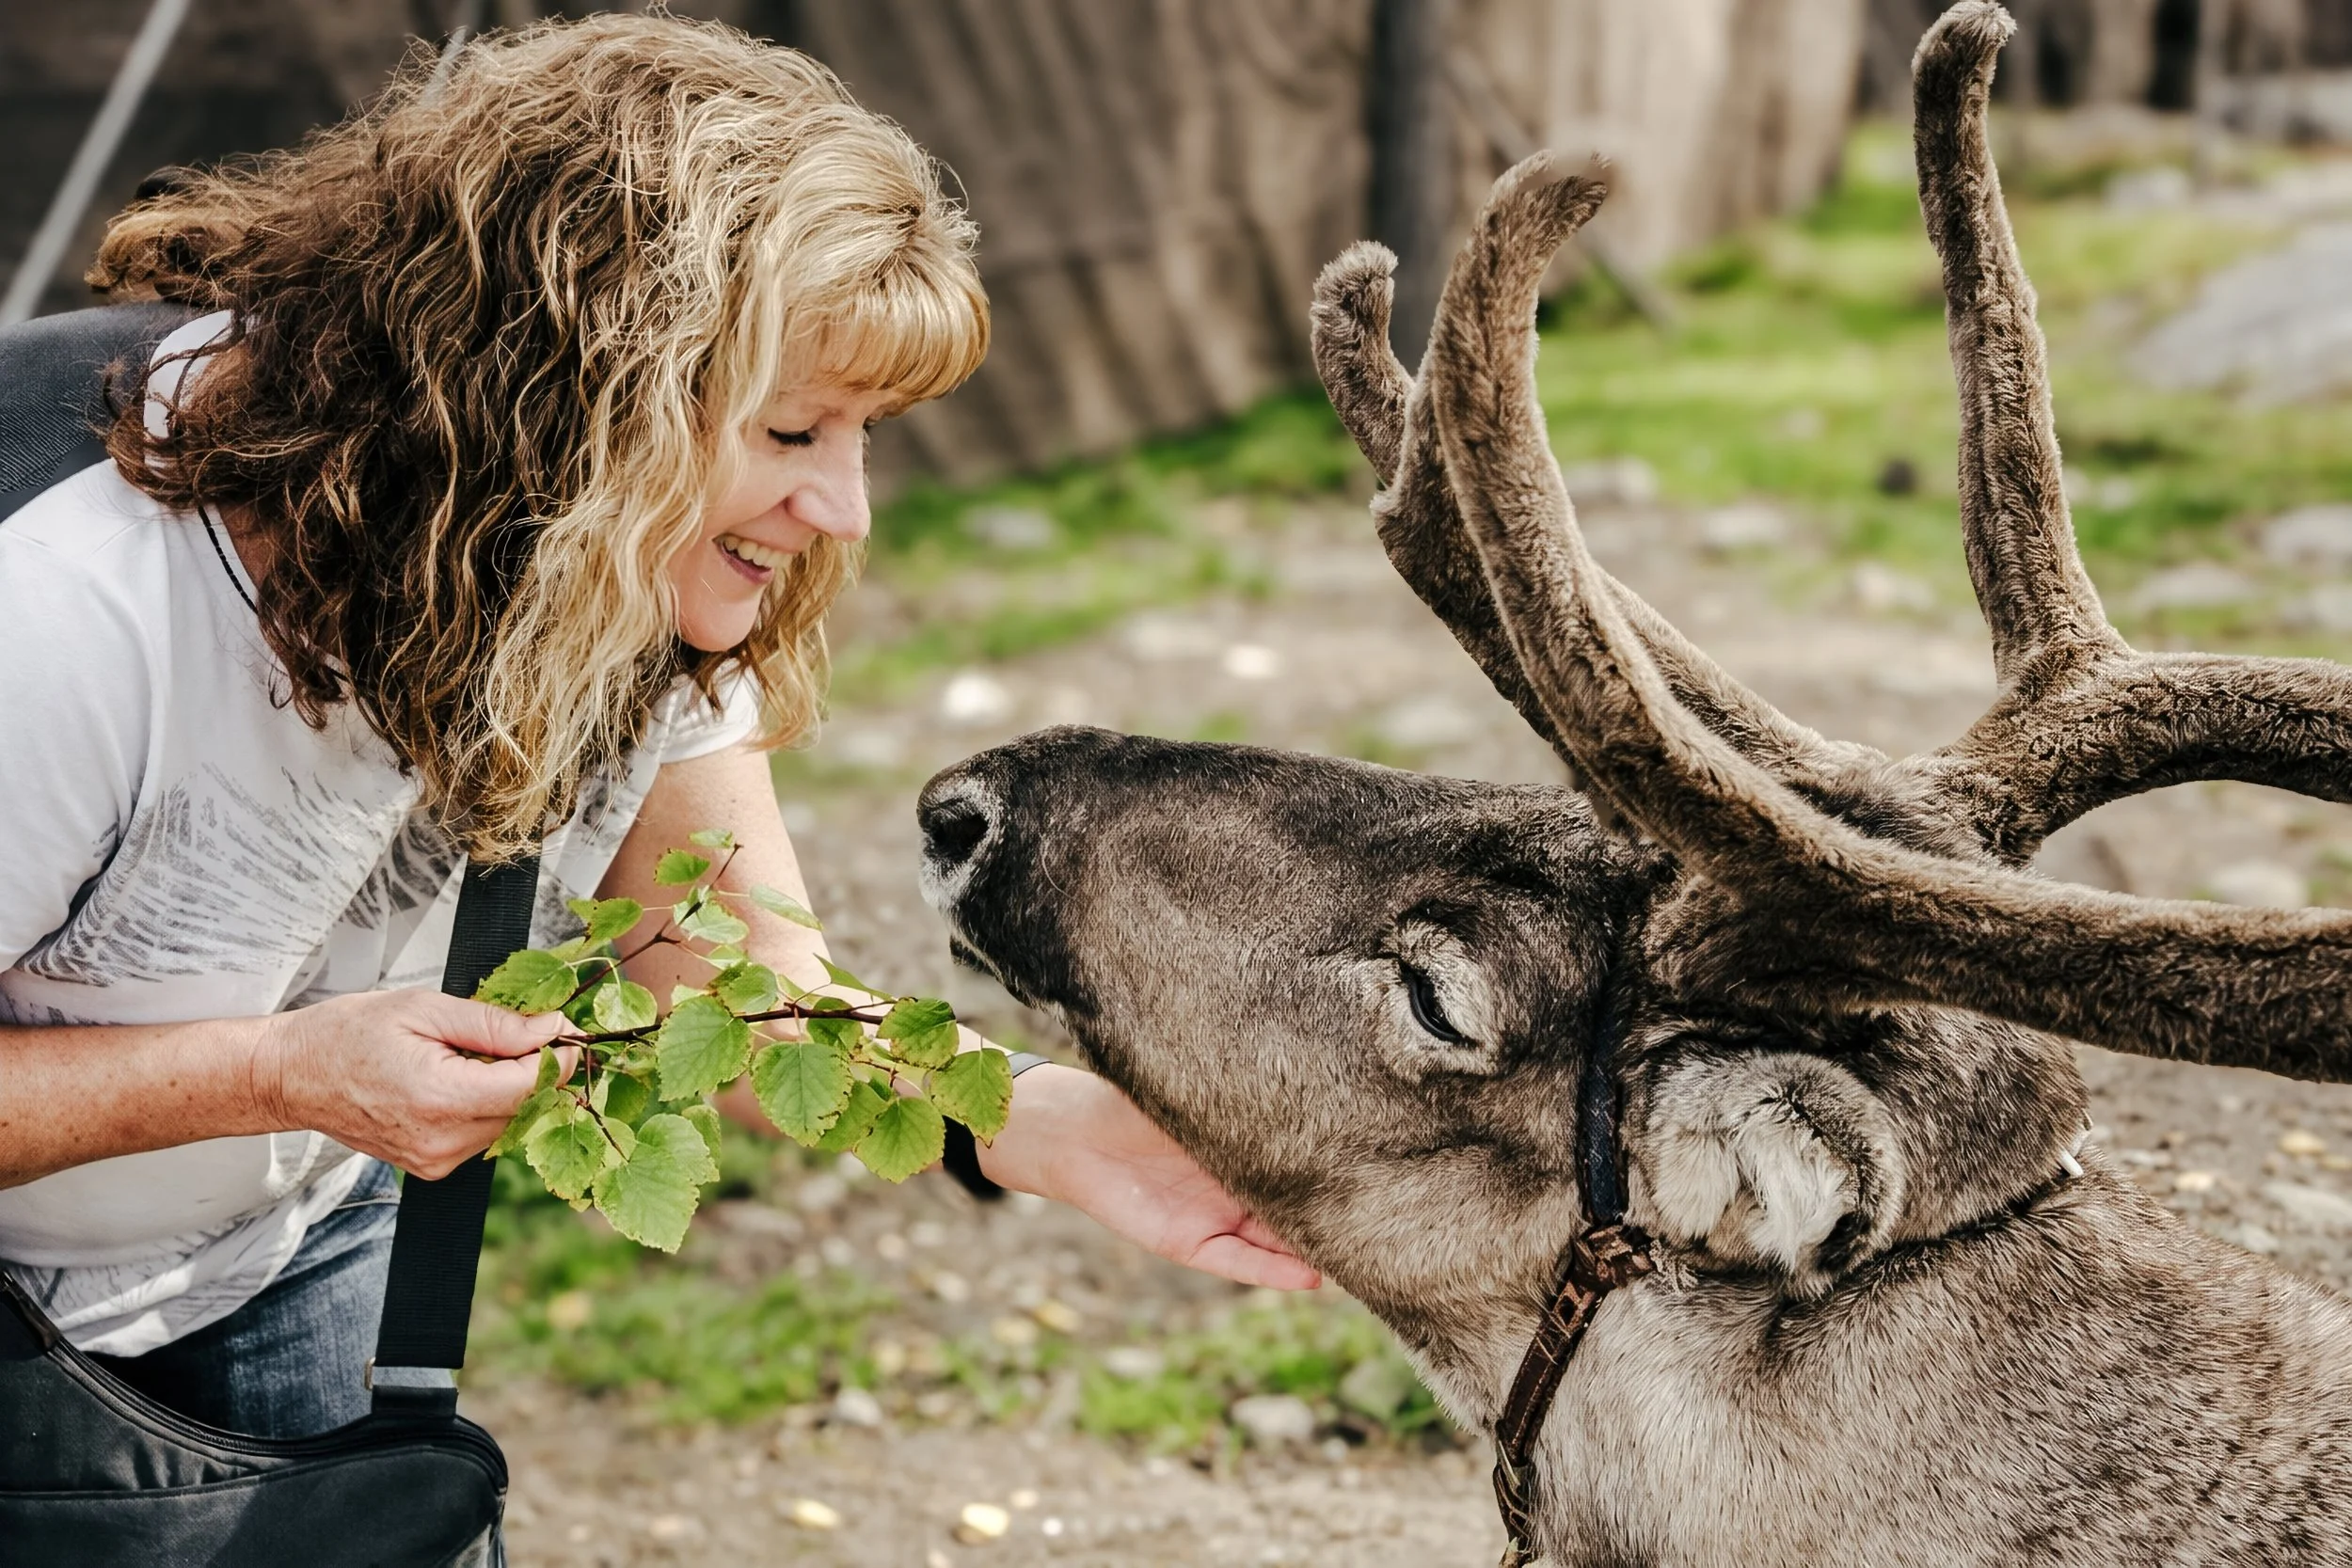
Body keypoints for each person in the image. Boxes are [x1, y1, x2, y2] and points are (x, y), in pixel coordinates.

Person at [0, 12, 1314, 1442]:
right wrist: (281, 1070)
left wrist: (1046, 1126)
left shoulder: (614, 566)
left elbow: (733, 996)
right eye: (793, 431)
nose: (846, 512)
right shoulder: (73, 616)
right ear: (563, 399)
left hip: (267, 1257)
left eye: (865, 432)